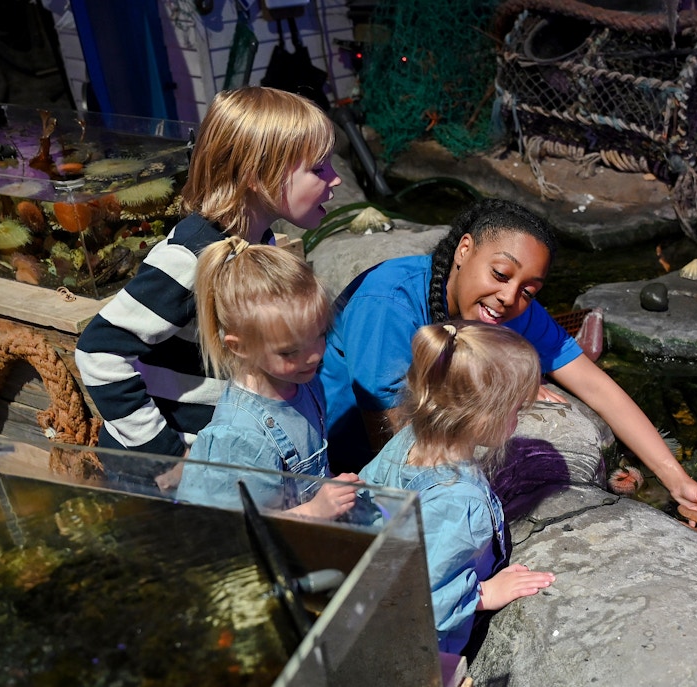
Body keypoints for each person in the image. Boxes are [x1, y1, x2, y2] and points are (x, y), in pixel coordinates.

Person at [320, 197, 697, 519]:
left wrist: (676, 478)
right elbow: (390, 434)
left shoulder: (511, 307)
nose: (510, 298)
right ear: (464, 250)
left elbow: (595, 384)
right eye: (500, 274)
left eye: (529, 289)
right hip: (337, 467)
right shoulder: (389, 301)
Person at [75, 86, 341, 485]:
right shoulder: (190, 260)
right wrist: (165, 457)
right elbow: (99, 352)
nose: (335, 179)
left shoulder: (259, 243)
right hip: (168, 473)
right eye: (318, 169)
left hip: (226, 454)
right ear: (256, 175)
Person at [358, 321, 556, 654]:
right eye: (515, 409)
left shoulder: (407, 440)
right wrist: (485, 593)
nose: (517, 419)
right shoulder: (461, 501)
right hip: (421, 652)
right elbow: (426, 601)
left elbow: (366, 499)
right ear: (480, 415)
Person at [175, 237, 361, 518]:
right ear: (240, 347)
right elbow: (239, 529)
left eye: (321, 335)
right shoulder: (239, 438)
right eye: (289, 351)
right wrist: (316, 509)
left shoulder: (302, 380)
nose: (314, 356)